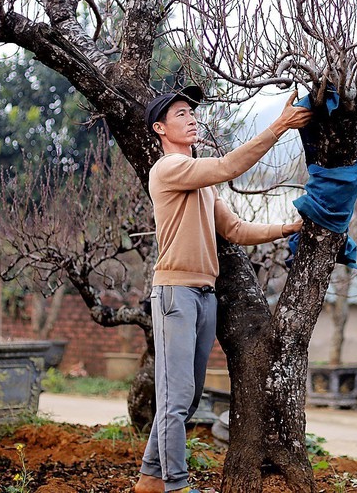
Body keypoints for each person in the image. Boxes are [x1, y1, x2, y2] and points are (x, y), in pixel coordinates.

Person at [136, 86, 313, 493]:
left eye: (192, 112)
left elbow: (234, 230)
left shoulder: (202, 185)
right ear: (160, 128)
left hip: (203, 296)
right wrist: (281, 125)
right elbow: (230, 165)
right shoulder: (168, 169)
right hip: (175, 294)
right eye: (180, 114)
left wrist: (287, 228)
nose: (191, 118)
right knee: (176, 398)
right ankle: (175, 486)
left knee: (189, 396)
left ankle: (149, 479)